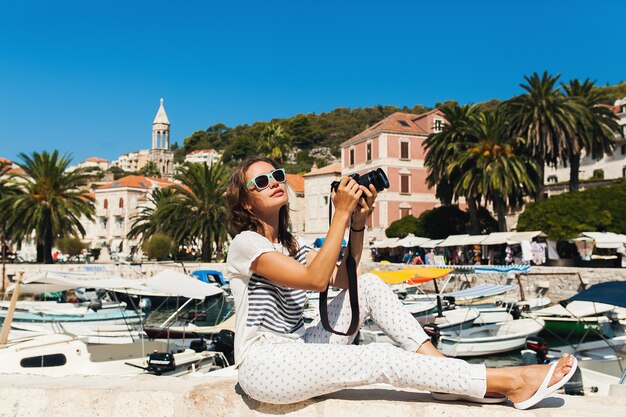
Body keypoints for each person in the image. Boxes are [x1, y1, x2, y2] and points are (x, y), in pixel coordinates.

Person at [225, 156, 576, 409]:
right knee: (379, 357)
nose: (273, 182)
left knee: (371, 285)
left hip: (300, 345)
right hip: (265, 363)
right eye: (260, 181)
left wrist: (357, 222)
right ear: (245, 201)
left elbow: (346, 278)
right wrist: (341, 213)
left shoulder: (291, 246)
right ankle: (511, 382)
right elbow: (316, 281)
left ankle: (442, 373)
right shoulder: (246, 243)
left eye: (277, 175)